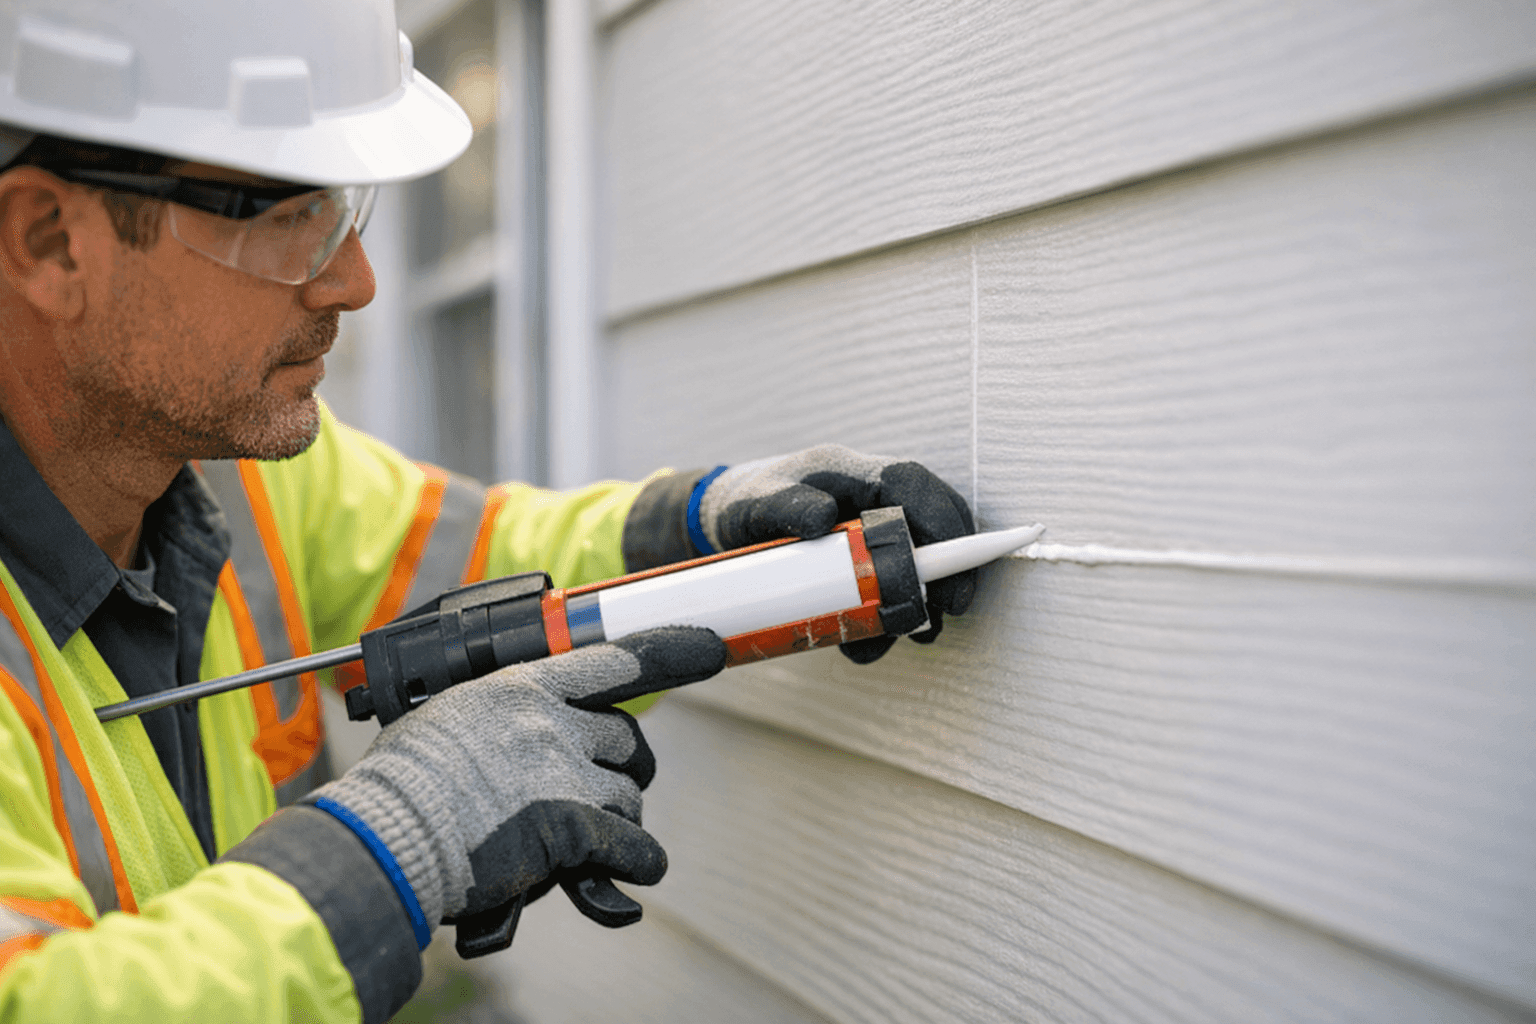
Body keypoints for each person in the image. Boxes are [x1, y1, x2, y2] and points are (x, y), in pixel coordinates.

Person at [0, 2, 977, 1021]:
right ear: (51, 241)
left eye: (347, 204)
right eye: (286, 210)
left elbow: (489, 573)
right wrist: (402, 838)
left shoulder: (233, 473)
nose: (357, 279)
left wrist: (702, 525)